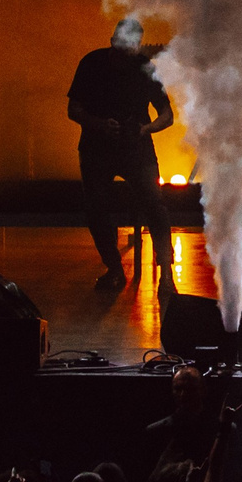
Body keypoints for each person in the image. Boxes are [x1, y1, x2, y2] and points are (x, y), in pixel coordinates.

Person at [68, 15, 176, 292]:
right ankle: (114, 268)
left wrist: (145, 129)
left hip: (136, 147)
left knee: (155, 205)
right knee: (96, 209)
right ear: (112, 42)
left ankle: (166, 274)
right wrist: (99, 124)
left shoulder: (145, 69)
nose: (123, 54)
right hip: (97, 148)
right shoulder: (91, 63)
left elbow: (167, 115)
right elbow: (73, 109)